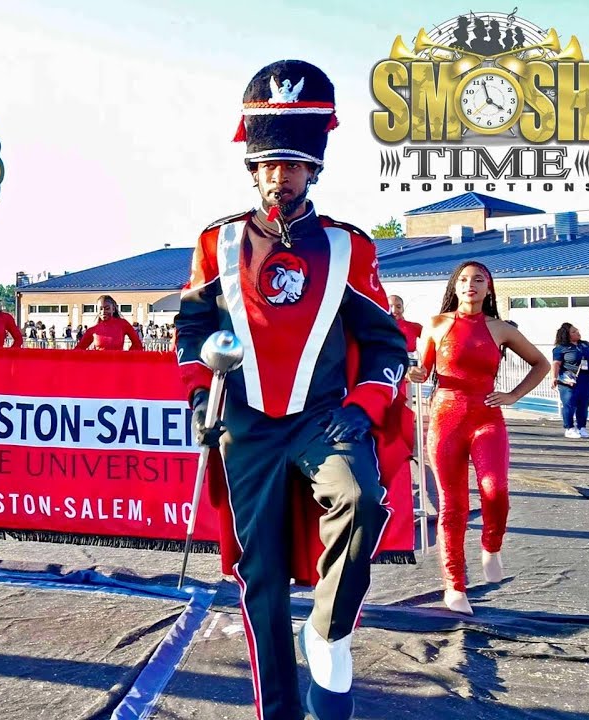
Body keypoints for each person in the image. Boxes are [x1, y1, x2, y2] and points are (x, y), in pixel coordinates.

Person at [176, 60, 410, 720]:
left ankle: (328, 632)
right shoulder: (215, 243)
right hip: (246, 424)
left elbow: (388, 343)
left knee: (363, 502)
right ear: (253, 168)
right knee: (262, 581)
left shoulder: (347, 248)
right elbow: (192, 330)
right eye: (270, 163)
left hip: (325, 418)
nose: (281, 175)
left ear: (314, 170)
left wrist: (365, 408)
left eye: (295, 163)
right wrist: (201, 397)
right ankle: (277, 712)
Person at [408, 261, 548, 614]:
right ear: (455, 287)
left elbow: (541, 364)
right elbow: (424, 372)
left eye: (479, 280)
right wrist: (417, 373)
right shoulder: (437, 325)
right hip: (446, 419)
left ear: (489, 289)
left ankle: (492, 545)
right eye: (464, 280)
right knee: (452, 507)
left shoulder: (500, 329)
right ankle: (454, 586)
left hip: (487, 418)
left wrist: (514, 396)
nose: (471, 285)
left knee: (494, 489)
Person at [551, 322, 589, 438]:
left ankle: (582, 427)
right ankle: (569, 428)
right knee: (569, 402)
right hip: (568, 378)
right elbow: (556, 364)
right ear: (566, 335)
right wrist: (554, 377)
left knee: (584, 403)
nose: (577, 333)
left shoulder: (585, 344)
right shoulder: (561, 348)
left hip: (586, 378)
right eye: (573, 332)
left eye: (577, 330)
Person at [75, 295, 143, 351]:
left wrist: (126, 358)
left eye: (107, 308)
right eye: (100, 309)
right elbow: (78, 350)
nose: (103, 311)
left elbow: (137, 344)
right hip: (99, 366)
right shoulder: (92, 330)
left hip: (118, 365)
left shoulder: (123, 324)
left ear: (113, 309)